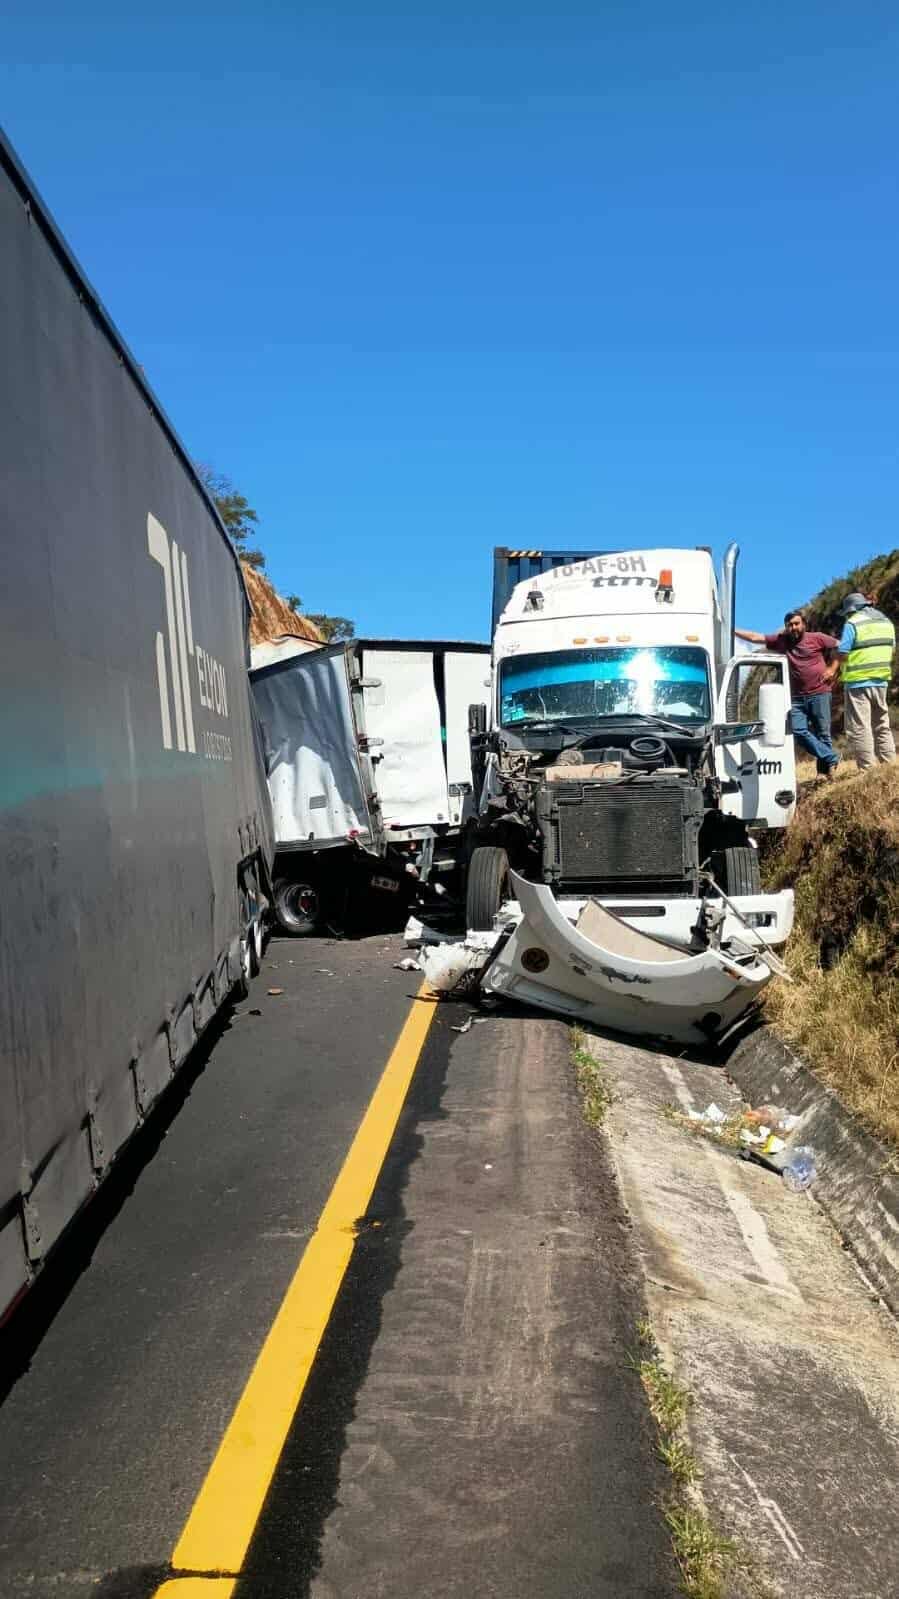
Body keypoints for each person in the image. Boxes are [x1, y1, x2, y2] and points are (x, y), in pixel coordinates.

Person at [734, 610, 841, 777]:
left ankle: (825, 772)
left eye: (797, 624)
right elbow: (755, 638)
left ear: (803, 624)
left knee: (823, 733)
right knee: (798, 731)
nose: (793, 627)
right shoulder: (782, 641)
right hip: (797, 697)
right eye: (790, 625)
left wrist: (832, 668)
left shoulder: (817, 638)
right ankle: (831, 757)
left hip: (820, 692)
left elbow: (838, 647)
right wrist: (732, 629)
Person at [835, 591, 896, 769]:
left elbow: (843, 653)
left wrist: (834, 659)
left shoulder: (853, 623)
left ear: (852, 609)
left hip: (857, 681)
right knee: (882, 725)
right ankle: (889, 766)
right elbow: (891, 650)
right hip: (881, 680)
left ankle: (867, 769)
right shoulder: (887, 622)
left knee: (859, 728)